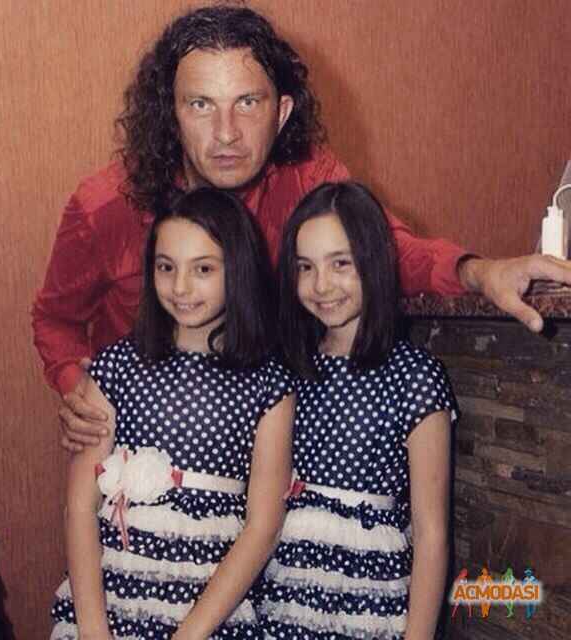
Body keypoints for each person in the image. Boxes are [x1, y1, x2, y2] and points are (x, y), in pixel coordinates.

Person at [32, 4, 571, 450]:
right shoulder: (105, 205)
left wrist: (478, 272)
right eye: (201, 104)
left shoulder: (309, 180)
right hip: (139, 460)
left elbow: (383, 251)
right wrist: (79, 391)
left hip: (271, 456)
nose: (226, 133)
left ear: (282, 111)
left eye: (248, 102)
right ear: (171, 114)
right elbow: (55, 319)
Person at [50, 188, 295, 640]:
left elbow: (263, 525)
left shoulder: (268, 384)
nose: (180, 287)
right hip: (113, 601)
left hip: (211, 612)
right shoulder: (116, 367)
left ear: (238, 270)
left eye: (203, 269)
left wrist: (189, 634)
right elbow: (80, 506)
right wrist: (94, 629)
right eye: (166, 267)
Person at [259, 181, 456, 639]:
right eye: (305, 267)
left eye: (341, 263)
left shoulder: (416, 376)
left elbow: (431, 535)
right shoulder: (286, 368)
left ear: (374, 260)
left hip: (370, 603)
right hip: (283, 596)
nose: (321, 285)